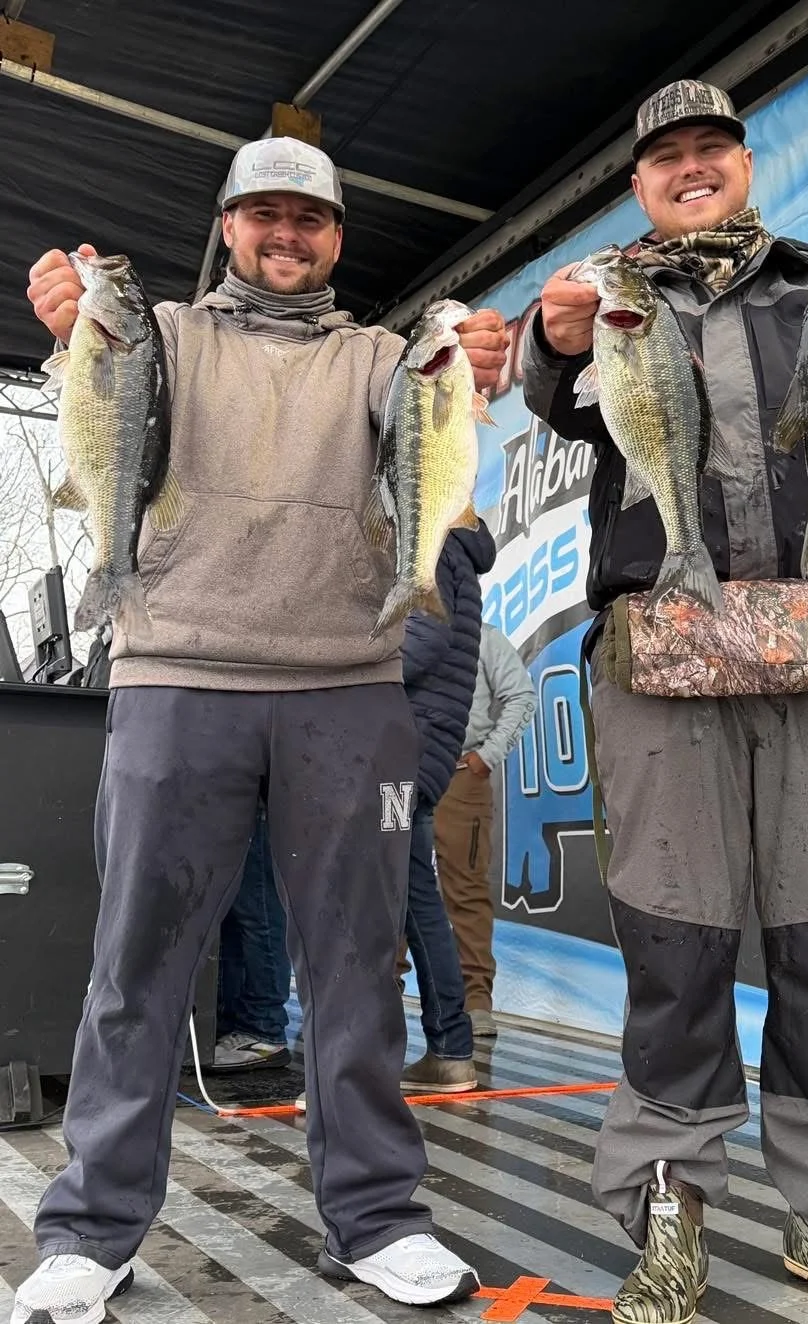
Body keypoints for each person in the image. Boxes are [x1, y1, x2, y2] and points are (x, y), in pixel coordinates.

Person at [16, 135, 509, 1324]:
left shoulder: (392, 357)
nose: (287, 238)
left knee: (353, 968)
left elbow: (442, 417)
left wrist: (484, 355)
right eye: (264, 217)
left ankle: (381, 1218)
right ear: (228, 226)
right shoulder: (165, 333)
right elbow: (96, 392)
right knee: (137, 960)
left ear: (338, 238)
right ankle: (89, 1230)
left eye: (311, 221)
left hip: (351, 685)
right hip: (175, 673)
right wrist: (65, 313)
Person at [522, 81, 808, 1323]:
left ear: (746, 163)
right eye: (666, 157)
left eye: (712, 149)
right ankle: (669, 1216)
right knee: (675, 947)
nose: (691, 169)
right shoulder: (615, 298)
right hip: (665, 653)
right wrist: (553, 345)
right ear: (638, 183)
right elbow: (559, 397)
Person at [399, 521, 496, 1092]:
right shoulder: (449, 540)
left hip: (408, 739)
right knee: (414, 896)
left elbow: (424, 637)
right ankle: (450, 1050)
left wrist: (345, 667)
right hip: (424, 738)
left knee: (396, 897)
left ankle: (439, 1048)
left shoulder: (430, 535)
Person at [435, 623, 536, 1038]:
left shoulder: (480, 635)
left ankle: (476, 1001)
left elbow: (522, 696)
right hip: (398, 775)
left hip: (459, 775)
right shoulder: (394, 628)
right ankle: (386, 993)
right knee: (392, 890)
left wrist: (487, 756)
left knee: (466, 890)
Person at [210, 799, 292, 1072]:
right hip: (236, 798)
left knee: (261, 915)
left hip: (257, 801)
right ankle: (231, 1022)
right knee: (234, 916)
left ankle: (263, 1029)